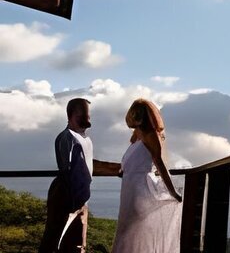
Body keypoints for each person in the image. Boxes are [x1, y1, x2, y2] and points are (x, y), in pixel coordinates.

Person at [40, 98, 122, 253]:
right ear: (71, 115)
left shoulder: (85, 139)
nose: (86, 119)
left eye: (88, 115)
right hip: (66, 197)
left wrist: (119, 168)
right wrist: (73, 202)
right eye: (82, 115)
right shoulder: (67, 138)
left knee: (76, 243)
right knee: (54, 240)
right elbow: (69, 170)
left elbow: (87, 165)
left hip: (80, 199)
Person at [112, 99, 183, 252]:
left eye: (138, 113)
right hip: (129, 187)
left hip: (140, 188)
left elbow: (159, 163)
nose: (135, 116)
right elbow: (130, 161)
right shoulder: (137, 135)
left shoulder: (151, 135)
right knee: (126, 230)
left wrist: (172, 192)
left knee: (133, 230)